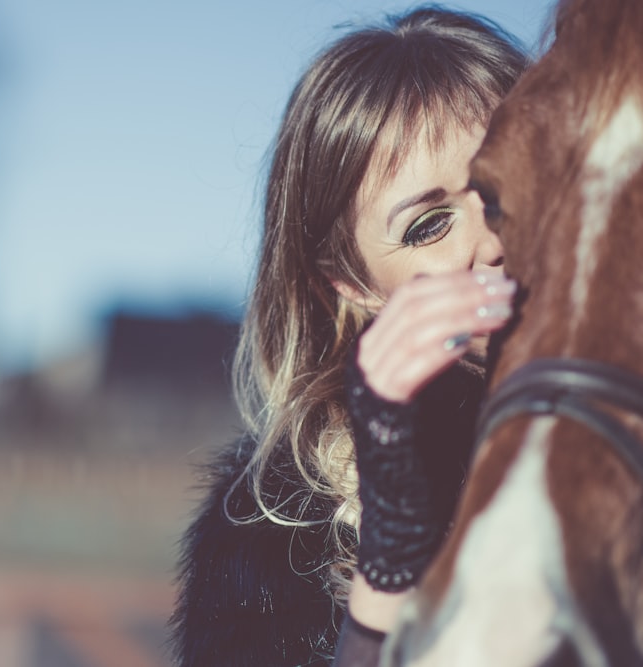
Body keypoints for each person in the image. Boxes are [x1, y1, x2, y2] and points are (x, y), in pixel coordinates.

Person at [170, 6, 528, 666]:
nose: (492, 243)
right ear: (350, 281)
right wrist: (391, 554)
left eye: (511, 185)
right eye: (429, 225)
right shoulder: (272, 535)